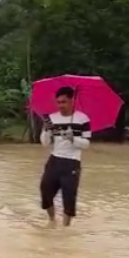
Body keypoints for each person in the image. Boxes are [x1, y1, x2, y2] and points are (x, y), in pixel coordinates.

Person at [39, 86, 91, 226]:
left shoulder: (82, 119)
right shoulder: (52, 118)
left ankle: (65, 229)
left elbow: (87, 144)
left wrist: (73, 139)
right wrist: (46, 131)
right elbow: (45, 143)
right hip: (54, 159)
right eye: (58, 102)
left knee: (69, 197)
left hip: (72, 162)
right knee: (45, 190)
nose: (61, 105)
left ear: (72, 100)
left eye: (64, 102)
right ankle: (51, 221)